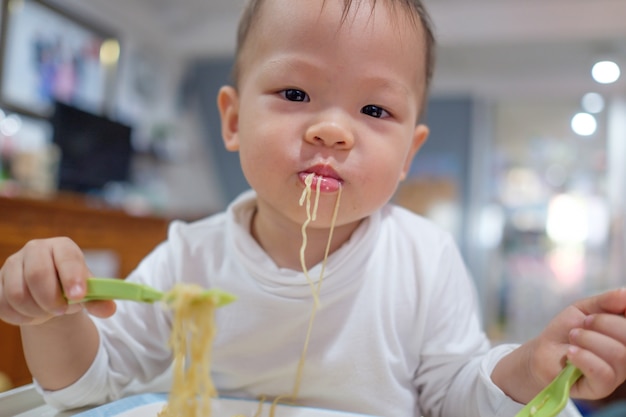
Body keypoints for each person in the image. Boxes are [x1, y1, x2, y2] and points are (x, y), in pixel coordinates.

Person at [1, 0, 626, 416]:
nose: (333, 131)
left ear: (409, 153)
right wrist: (51, 315)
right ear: (234, 120)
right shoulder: (190, 256)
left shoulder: (422, 257)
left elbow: (455, 397)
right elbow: (87, 388)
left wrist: (531, 367)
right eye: (295, 92)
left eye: (374, 110)